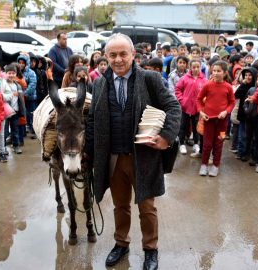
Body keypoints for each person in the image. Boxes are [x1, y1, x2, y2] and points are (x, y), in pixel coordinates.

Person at [83, 33, 181, 269]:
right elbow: (94, 119)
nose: (118, 59)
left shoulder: (150, 79)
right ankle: (121, 243)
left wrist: (166, 137)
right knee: (120, 207)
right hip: (113, 159)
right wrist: (87, 153)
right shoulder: (98, 83)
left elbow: (173, 106)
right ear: (105, 56)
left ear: (133, 55)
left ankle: (150, 249)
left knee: (147, 208)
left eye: (123, 54)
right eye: (113, 54)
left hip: (143, 158)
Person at [196, 60, 235, 176]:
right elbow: (199, 99)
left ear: (225, 73)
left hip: (222, 122)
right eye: (214, 70)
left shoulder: (228, 87)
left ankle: (215, 166)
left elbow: (232, 103)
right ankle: (204, 165)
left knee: (219, 143)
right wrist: (201, 113)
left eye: (219, 71)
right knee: (207, 144)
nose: (216, 73)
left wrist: (226, 112)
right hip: (208, 120)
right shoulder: (207, 85)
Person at [175, 59, 207, 155]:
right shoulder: (184, 78)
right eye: (194, 67)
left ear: (200, 67)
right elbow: (178, 89)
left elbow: (206, 93)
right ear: (190, 67)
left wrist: (203, 103)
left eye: (198, 67)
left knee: (196, 127)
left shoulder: (204, 80)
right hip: (185, 107)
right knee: (183, 126)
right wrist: (182, 100)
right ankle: (182, 144)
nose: (196, 69)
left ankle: (196, 144)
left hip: (198, 108)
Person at [242, 71, 258, 164]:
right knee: (247, 137)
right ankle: (246, 154)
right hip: (249, 117)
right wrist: (246, 109)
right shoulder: (252, 90)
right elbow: (246, 101)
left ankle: (256, 157)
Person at [234, 67, 258, 159]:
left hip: (253, 115)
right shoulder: (243, 85)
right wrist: (243, 85)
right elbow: (236, 95)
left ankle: (251, 150)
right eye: (246, 75)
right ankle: (240, 150)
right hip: (243, 114)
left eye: (250, 75)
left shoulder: (256, 87)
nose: (247, 77)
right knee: (242, 135)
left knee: (252, 135)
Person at [5, 64, 24, 154]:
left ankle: (15, 146)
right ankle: (3, 148)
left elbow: (20, 99)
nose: (11, 75)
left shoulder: (18, 86)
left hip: (15, 111)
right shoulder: (3, 84)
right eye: (9, 73)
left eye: (13, 73)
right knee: (4, 131)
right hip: (5, 111)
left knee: (15, 130)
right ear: (6, 74)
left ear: (16, 74)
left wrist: (22, 110)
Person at [17, 55, 37, 139]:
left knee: (32, 114)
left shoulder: (31, 73)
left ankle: (34, 130)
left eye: (23, 63)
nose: (21, 65)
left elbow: (32, 85)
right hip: (20, 99)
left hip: (30, 97)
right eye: (20, 63)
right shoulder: (16, 73)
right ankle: (23, 130)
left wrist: (24, 94)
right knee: (22, 114)